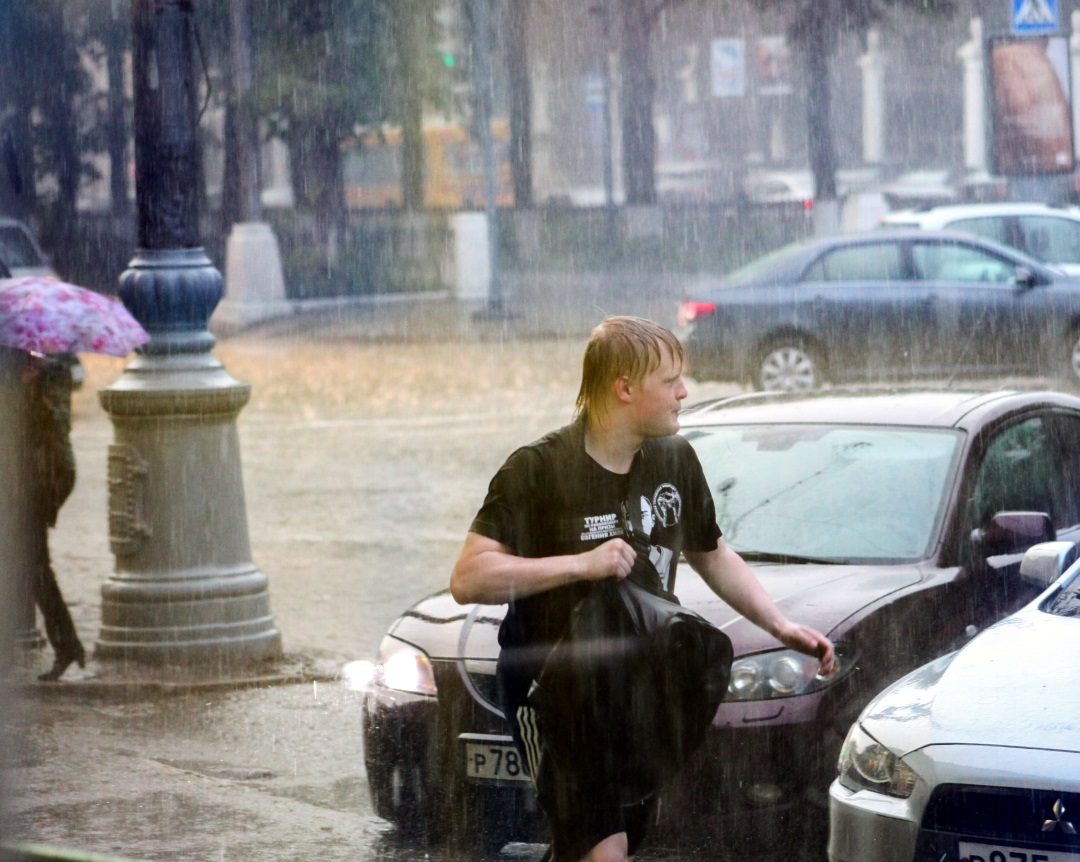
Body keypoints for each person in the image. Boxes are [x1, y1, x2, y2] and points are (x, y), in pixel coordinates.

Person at [450, 316, 835, 862]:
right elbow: (468, 578)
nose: (685, 393)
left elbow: (711, 552)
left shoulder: (675, 459)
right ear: (625, 389)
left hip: (639, 689)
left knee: (615, 843)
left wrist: (779, 625)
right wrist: (580, 565)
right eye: (670, 380)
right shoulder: (538, 468)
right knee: (604, 847)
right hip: (554, 689)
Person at [23, 350, 86, 682]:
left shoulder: (52, 372)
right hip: (32, 478)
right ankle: (67, 644)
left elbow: (55, 424)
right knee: (32, 564)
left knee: (33, 563)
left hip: (41, 479)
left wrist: (33, 391)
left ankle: (66, 643)